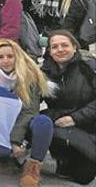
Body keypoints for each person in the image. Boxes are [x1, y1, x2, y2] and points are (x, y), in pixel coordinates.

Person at [0, 39, 53, 187]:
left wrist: (16, 141)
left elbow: (29, 111)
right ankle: (2, 155)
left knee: (43, 122)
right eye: (1, 57)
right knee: (1, 152)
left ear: (17, 57)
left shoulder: (30, 76)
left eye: (10, 56)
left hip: (24, 125)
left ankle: (33, 167)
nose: (6, 61)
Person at [40, 30, 96, 185]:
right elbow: (30, 103)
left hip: (89, 125)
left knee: (84, 176)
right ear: (49, 51)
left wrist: (74, 118)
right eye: (55, 46)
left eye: (65, 45)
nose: (60, 49)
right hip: (59, 123)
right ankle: (62, 157)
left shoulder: (89, 67)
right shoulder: (43, 73)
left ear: (74, 47)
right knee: (39, 122)